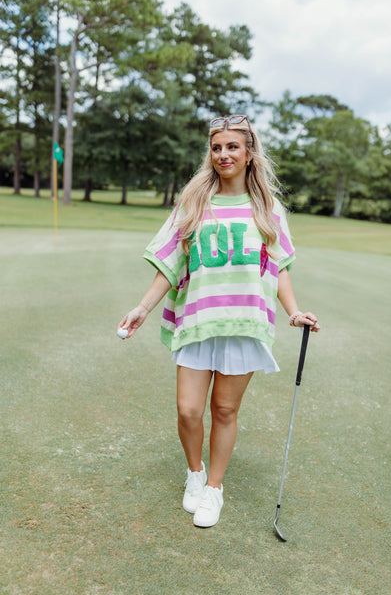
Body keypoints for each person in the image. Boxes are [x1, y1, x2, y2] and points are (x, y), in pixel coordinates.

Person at [118, 115, 320, 528]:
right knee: (189, 410)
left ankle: (214, 488)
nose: (223, 154)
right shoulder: (194, 202)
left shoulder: (268, 208)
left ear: (249, 154)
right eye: (216, 147)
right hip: (199, 318)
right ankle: (194, 474)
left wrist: (294, 312)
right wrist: (143, 307)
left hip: (245, 322)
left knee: (225, 411)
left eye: (232, 147)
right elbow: (170, 262)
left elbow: (279, 267)